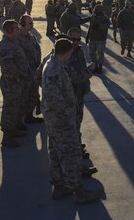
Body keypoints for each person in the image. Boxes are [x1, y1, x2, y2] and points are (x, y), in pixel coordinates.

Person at [41, 38, 102, 205]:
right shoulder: (54, 70)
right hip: (61, 120)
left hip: (54, 119)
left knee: (55, 152)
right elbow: (54, 97)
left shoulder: (53, 64)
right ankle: (78, 191)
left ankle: (59, 186)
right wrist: (69, 113)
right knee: (71, 154)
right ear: (67, 52)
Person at [0, 20, 31, 148]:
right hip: (11, 82)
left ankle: (14, 130)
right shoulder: (5, 45)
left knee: (16, 107)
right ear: (9, 30)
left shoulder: (13, 42)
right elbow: (7, 66)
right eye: (15, 29)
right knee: (9, 109)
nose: (18, 30)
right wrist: (19, 75)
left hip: (18, 81)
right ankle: (6, 137)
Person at [66, 27, 95, 157]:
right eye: (73, 39)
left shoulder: (79, 50)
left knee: (78, 120)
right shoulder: (66, 53)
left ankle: (77, 142)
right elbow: (75, 76)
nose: (76, 42)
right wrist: (90, 71)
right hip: (71, 94)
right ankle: (75, 148)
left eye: (78, 39)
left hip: (79, 92)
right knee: (73, 122)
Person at [17, 15, 44, 124]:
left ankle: (29, 116)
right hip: (24, 73)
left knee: (34, 95)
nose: (32, 25)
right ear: (23, 24)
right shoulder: (17, 37)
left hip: (33, 71)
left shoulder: (31, 36)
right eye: (30, 23)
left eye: (32, 23)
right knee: (23, 97)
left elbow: (37, 50)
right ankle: (19, 120)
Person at [87, 5, 111, 72]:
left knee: (100, 54)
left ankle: (100, 66)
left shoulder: (105, 18)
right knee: (91, 53)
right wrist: (87, 36)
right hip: (92, 38)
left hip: (100, 39)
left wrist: (99, 26)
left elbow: (107, 25)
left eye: (96, 10)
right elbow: (90, 27)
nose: (95, 12)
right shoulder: (93, 17)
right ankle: (95, 66)